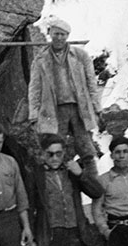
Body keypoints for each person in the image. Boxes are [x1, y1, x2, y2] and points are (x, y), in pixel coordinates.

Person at [27, 17, 101, 170]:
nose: (59, 38)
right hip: (54, 110)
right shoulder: (41, 60)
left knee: (85, 146)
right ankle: (57, 180)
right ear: (51, 35)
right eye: (56, 34)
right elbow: (34, 89)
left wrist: (96, 106)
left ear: (67, 36)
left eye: (62, 34)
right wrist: (34, 114)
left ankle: (93, 180)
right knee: (54, 146)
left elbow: (91, 83)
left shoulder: (80, 56)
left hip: (79, 108)